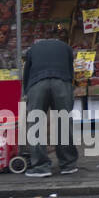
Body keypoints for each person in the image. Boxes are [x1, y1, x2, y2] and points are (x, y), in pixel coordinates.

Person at [22, 30, 78, 178]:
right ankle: (67, 164)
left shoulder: (33, 48)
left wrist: (27, 91)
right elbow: (70, 70)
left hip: (37, 83)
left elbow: (27, 71)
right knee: (64, 122)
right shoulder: (66, 47)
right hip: (61, 82)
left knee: (36, 123)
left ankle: (41, 167)